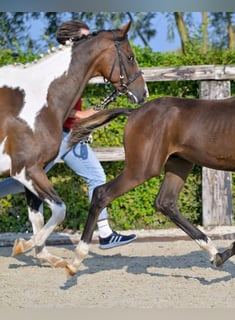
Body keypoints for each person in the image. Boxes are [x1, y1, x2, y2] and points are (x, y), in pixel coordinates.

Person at [0, 20, 136, 249]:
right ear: (71, 40)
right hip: (56, 135)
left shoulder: (77, 67)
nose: (89, 40)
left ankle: (105, 232)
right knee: (24, 177)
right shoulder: (58, 71)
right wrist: (82, 115)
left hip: (69, 134)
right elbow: (50, 104)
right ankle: (104, 233)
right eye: (84, 37)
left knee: (94, 174)